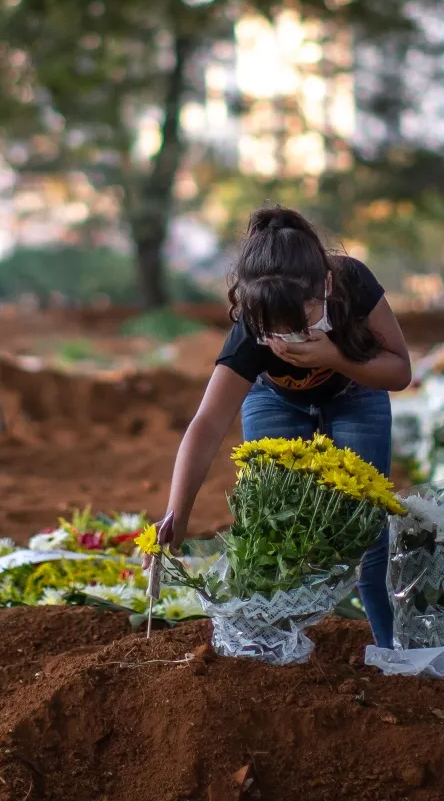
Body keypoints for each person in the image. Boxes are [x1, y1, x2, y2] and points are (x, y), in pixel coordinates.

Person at [152, 207, 412, 646]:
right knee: (271, 524)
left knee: (367, 530)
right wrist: (177, 516)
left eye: (300, 319)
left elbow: (400, 371)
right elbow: (209, 423)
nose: (287, 335)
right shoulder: (250, 331)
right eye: (273, 327)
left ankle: (394, 648)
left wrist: (335, 358)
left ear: (326, 287)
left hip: (357, 392)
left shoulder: (353, 285)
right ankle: (271, 646)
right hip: (275, 401)